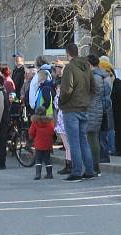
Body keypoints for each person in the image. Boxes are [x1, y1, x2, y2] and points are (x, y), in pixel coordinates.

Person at [60, 43, 96, 181]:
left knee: (74, 141)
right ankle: (89, 171)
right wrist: (87, 100)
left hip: (71, 108)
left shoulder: (69, 67)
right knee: (83, 140)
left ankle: (76, 172)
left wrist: (62, 102)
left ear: (68, 53)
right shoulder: (87, 66)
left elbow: (66, 90)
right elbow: (94, 87)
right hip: (84, 107)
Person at [86, 54, 111, 175]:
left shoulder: (95, 77)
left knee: (92, 137)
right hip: (99, 108)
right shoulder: (104, 75)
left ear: (90, 64)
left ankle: (95, 167)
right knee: (94, 137)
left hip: (92, 109)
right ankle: (94, 166)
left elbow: (90, 93)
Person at [30, 106, 56, 180]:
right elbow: (52, 131)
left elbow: (31, 132)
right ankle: (49, 174)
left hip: (38, 144)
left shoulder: (35, 122)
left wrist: (32, 138)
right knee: (47, 159)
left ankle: (38, 174)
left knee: (38, 159)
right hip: (48, 144)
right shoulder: (50, 122)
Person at [110, 69, 121, 156]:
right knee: (119, 131)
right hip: (119, 111)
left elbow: (119, 100)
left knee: (120, 131)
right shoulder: (118, 84)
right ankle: (120, 149)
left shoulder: (117, 85)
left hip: (120, 112)